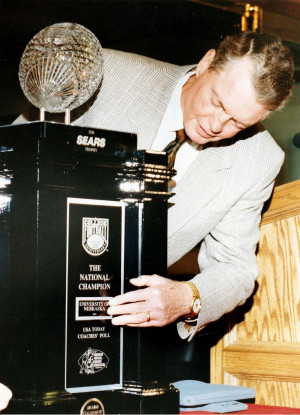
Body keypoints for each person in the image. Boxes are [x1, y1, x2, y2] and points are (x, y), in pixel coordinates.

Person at [17, 32, 294, 341]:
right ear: (205, 63)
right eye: (216, 102)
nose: (217, 125)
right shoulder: (106, 74)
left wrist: (187, 298)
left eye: (238, 124)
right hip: (18, 291)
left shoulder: (258, 158)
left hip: (115, 330)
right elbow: (14, 163)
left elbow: (235, 269)